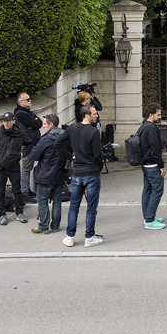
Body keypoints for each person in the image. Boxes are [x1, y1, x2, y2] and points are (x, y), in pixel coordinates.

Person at [57, 104, 105, 247]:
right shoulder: (94, 132)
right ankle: (89, 237)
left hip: (77, 172)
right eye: (94, 114)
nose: (96, 116)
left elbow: (58, 143)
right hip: (91, 173)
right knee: (91, 207)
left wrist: (70, 156)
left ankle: (70, 236)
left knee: (74, 206)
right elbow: (98, 155)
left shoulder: (72, 128)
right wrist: (100, 166)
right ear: (86, 115)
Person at [0, 112, 27, 226]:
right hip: (1, 167)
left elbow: (30, 144)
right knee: (0, 192)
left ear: (13, 121)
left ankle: (19, 213)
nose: (6, 123)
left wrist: (23, 153)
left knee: (17, 190)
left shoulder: (19, 134)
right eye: (4, 121)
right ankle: (2, 214)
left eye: (8, 121)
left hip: (14, 167)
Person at [29, 115, 68, 234]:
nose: (43, 126)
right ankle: (55, 225)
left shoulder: (46, 139)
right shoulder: (65, 136)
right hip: (60, 173)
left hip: (45, 174)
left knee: (42, 200)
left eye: (45, 124)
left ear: (51, 125)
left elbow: (34, 155)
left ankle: (43, 226)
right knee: (57, 200)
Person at [139, 103, 166, 230]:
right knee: (157, 191)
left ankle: (148, 216)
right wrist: (161, 165)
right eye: (158, 114)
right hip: (153, 164)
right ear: (151, 115)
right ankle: (150, 220)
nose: (160, 117)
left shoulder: (143, 127)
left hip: (145, 163)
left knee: (147, 190)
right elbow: (155, 148)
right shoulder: (152, 128)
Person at [14, 92, 43, 203]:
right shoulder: (21, 113)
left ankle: (28, 190)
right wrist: (34, 123)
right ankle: (24, 193)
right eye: (28, 99)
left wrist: (34, 122)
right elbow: (36, 123)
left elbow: (39, 123)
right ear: (21, 102)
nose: (30, 101)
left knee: (28, 167)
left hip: (32, 143)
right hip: (27, 144)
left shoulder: (27, 112)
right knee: (26, 169)